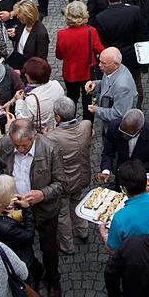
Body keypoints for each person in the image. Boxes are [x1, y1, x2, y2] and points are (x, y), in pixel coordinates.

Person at [0, 118, 66, 297]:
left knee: (49, 247)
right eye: (16, 145)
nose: (19, 150)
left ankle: (53, 280)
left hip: (44, 209)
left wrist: (42, 194)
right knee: (22, 246)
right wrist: (3, 193)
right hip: (14, 208)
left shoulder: (50, 149)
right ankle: (33, 276)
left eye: (24, 146)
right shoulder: (4, 145)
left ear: (35, 136)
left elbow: (61, 184)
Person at [0, 173, 41, 287]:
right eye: (10, 195)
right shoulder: (6, 227)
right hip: (20, 261)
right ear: (0, 202)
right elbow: (28, 236)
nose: (13, 196)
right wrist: (27, 209)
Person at [46, 96, 92, 254]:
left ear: (57, 117)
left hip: (64, 182)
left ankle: (67, 246)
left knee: (63, 213)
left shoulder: (52, 137)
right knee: (78, 203)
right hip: (81, 177)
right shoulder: (86, 125)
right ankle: (83, 231)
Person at [54, 0, 105, 114]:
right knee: (89, 101)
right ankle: (88, 126)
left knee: (72, 99)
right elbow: (100, 50)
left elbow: (59, 55)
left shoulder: (62, 34)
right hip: (88, 71)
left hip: (71, 73)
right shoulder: (91, 31)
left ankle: (71, 122)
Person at [98, 109, 149, 182]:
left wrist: (137, 171)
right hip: (120, 175)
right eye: (122, 131)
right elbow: (108, 152)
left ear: (139, 130)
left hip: (140, 180)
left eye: (129, 135)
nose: (124, 136)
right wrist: (106, 171)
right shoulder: (114, 126)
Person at [87, 47, 139, 127]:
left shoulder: (122, 87)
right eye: (100, 61)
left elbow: (119, 114)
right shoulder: (111, 69)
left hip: (116, 129)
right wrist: (95, 85)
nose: (99, 65)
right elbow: (107, 84)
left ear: (116, 65)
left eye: (103, 63)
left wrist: (97, 110)